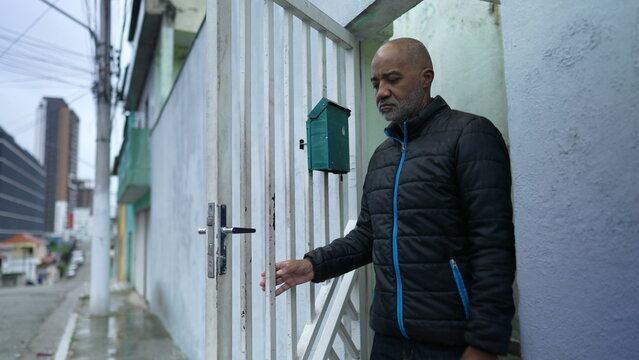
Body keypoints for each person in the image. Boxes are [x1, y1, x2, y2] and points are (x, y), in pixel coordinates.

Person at [260, 37, 515, 360]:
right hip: (388, 340)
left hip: (451, 342)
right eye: (376, 83)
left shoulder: (471, 135)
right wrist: (314, 265)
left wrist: (485, 344)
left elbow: (494, 246)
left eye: (392, 79)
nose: (381, 92)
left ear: (426, 77)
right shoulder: (383, 156)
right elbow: (368, 235)